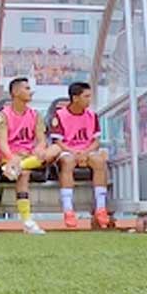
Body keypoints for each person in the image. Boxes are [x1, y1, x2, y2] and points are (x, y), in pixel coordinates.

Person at [47, 82, 110, 229]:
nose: (89, 100)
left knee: (99, 161)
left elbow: (96, 141)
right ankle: (68, 210)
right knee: (68, 162)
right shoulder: (60, 115)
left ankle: (101, 208)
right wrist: (74, 152)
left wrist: (85, 152)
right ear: (75, 98)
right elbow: (57, 141)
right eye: (86, 96)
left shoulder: (92, 115)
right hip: (67, 150)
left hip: (86, 150)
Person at [0, 78, 51, 235]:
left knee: (53, 150)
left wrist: (40, 148)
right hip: (10, 155)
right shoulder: (3, 115)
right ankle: (27, 220)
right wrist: (12, 158)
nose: (30, 92)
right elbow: (2, 143)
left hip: (29, 155)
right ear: (15, 92)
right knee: (24, 174)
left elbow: (41, 140)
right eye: (27, 88)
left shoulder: (35, 115)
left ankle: (16, 168)